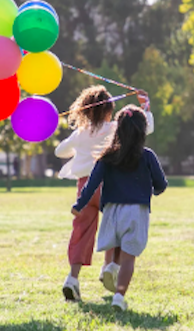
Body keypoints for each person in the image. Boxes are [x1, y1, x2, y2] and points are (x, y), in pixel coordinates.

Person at [56, 86, 154, 302]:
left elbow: (59, 151)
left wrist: (80, 146)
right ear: (109, 110)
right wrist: (145, 107)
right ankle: (110, 266)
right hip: (109, 186)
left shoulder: (80, 133)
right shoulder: (114, 128)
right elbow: (145, 129)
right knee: (117, 226)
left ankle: (72, 278)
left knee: (81, 232)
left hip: (84, 187)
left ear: (85, 110)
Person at [72, 105, 167, 312]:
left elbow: (92, 183)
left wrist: (79, 205)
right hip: (136, 211)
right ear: (142, 131)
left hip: (111, 211)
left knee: (116, 246)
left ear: (118, 129)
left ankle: (110, 267)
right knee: (129, 258)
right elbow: (161, 183)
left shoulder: (107, 156)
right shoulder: (148, 155)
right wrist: (155, 190)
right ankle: (118, 296)